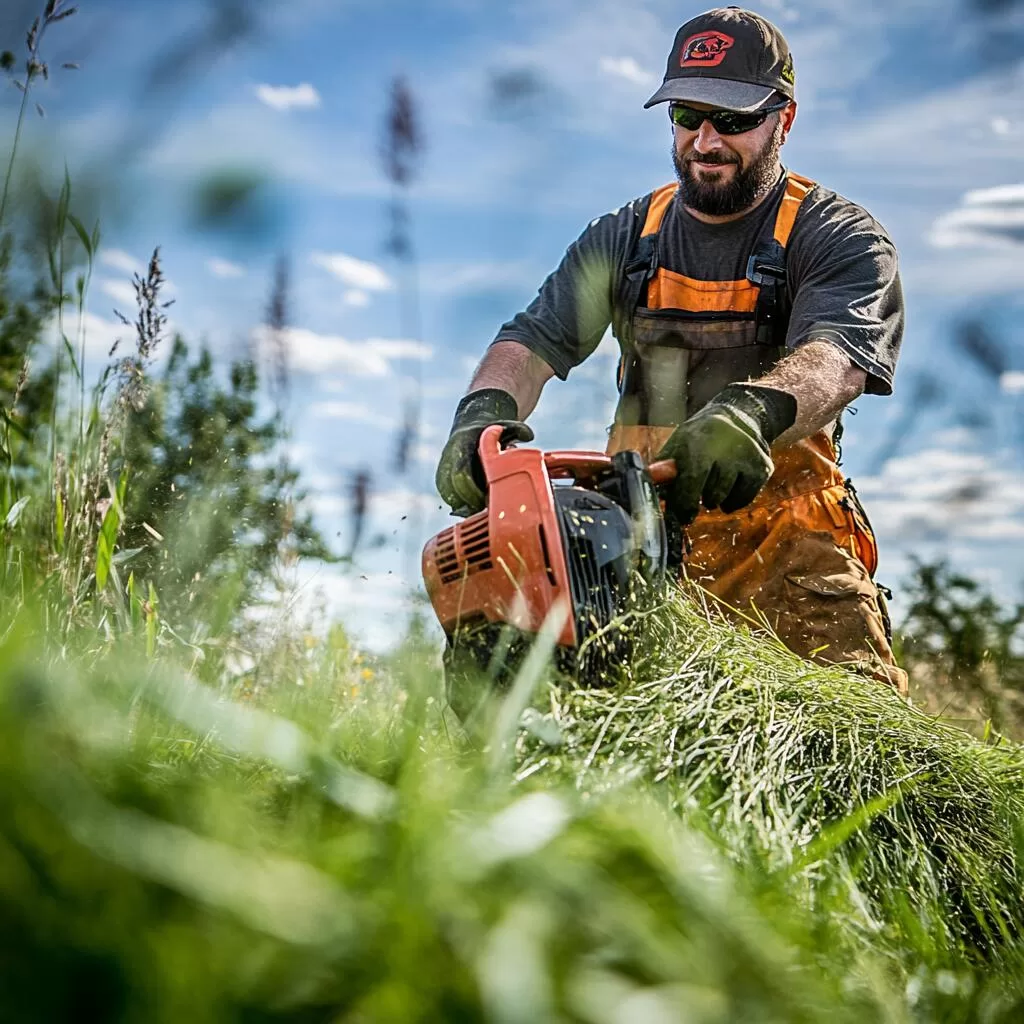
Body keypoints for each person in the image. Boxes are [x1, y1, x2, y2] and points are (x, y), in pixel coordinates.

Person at [434, 6, 908, 693]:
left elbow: (838, 359)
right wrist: (480, 414)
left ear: (785, 118)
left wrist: (751, 412)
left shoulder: (838, 235)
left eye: (734, 119)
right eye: (688, 116)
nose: (706, 141)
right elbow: (531, 341)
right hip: (640, 549)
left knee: (865, 758)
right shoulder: (626, 237)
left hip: (792, 551)